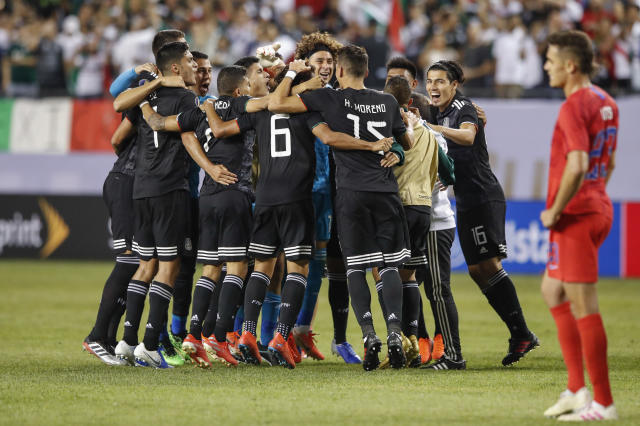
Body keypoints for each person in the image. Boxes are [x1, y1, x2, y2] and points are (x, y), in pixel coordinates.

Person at [235, 68, 394, 369]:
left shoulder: (263, 110)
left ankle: (246, 334)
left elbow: (225, 129)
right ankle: (282, 338)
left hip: (265, 198)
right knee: (298, 269)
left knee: (263, 268)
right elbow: (331, 137)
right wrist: (370, 145)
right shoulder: (307, 115)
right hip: (296, 198)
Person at [269, 46, 414, 371]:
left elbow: (277, 103)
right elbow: (407, 143)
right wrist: (395, 151)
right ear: (366, 70)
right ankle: (394, 332)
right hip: (386, 191)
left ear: (340, 72)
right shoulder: (388, 101)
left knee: (356, 267)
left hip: (351, 193)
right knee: (389, 265)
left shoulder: (330, 99)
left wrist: (291, 71)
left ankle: (368, 336)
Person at [426, 60, 538, 366]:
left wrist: (433, 128)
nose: (434, 87)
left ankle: (522, 333)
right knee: (477, 270)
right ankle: (521, 334)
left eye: (440, 81)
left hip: (482, 196)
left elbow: (467, 136)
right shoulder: (438, 111)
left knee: (488, 264)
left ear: (454, 85)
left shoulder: (462, 107)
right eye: (430, 81)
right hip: (465, 199)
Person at [540, 30, 619, 421]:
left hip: (576, 214)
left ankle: (602, 403)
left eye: (551, 60)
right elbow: (610, 163)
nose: (546, 67)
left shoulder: (572, 106)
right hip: (597, 205)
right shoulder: (606, 101)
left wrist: (556, 209)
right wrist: (594, 196)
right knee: (552, 290)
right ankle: (575, 389)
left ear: (570, 65)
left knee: (584, 305)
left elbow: (578, 164)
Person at [113, 42, 198, 368]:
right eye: (189, 61)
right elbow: (182, 134)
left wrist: (152, 89)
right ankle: (149, 344)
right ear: (175, 67)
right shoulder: (187, 98)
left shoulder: (144, 96)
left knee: (145, 264)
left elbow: (119, 104)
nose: (193, 66)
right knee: (168, 267)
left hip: (142, 189)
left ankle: (127, 340)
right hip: (169, 189)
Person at [375, 76, 438, 369]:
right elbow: (441, 173)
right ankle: (412, 339)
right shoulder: (429, 132)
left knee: (383, 270)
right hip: (423, 207)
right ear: (409, 101)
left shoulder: (392, 126)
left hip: (399, 205)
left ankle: (397, 338)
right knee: (409, 275)